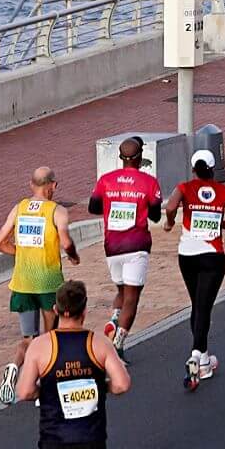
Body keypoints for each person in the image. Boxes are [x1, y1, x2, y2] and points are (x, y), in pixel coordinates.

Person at [15, 281, 131, 449]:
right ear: (85, 310)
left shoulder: (40, 346)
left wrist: (49, 392)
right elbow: (122, 384)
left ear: (56, 310)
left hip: (54, 438)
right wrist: (101, 387)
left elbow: (24, 391)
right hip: (89, 437)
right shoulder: (98, 343)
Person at [0, 166, 77, 404]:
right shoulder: (57, 211)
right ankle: (44, 386)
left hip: (22, 282)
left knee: (28, 338)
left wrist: (21, 254)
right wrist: (73, 255)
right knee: (50, 338)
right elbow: (65, 241)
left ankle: (13, 367)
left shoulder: (19, 208)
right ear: (53, 186)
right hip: (49, 283)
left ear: (31, 185)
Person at [163, 149, 225, 387]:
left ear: (193, 168)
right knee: (204, 306)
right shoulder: (224, 192)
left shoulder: (184, 187)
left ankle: (204, 358)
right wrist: (217, 224)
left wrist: (170, 221)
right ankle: (197, 354)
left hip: (187, 255)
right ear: (213, 169)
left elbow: (170, 205)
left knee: (198, 304)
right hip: (213, 256)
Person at [87, 137, 163, 350]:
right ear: (140, 158)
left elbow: (93, 208)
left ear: (121, 158)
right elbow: (156, 215)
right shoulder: (149, 182)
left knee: (121, 291)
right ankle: (117, 345)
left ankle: (114, 319)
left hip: (112, 245)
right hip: (137, 245)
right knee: (132, 297)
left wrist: (115, 204)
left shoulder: (106, 180)